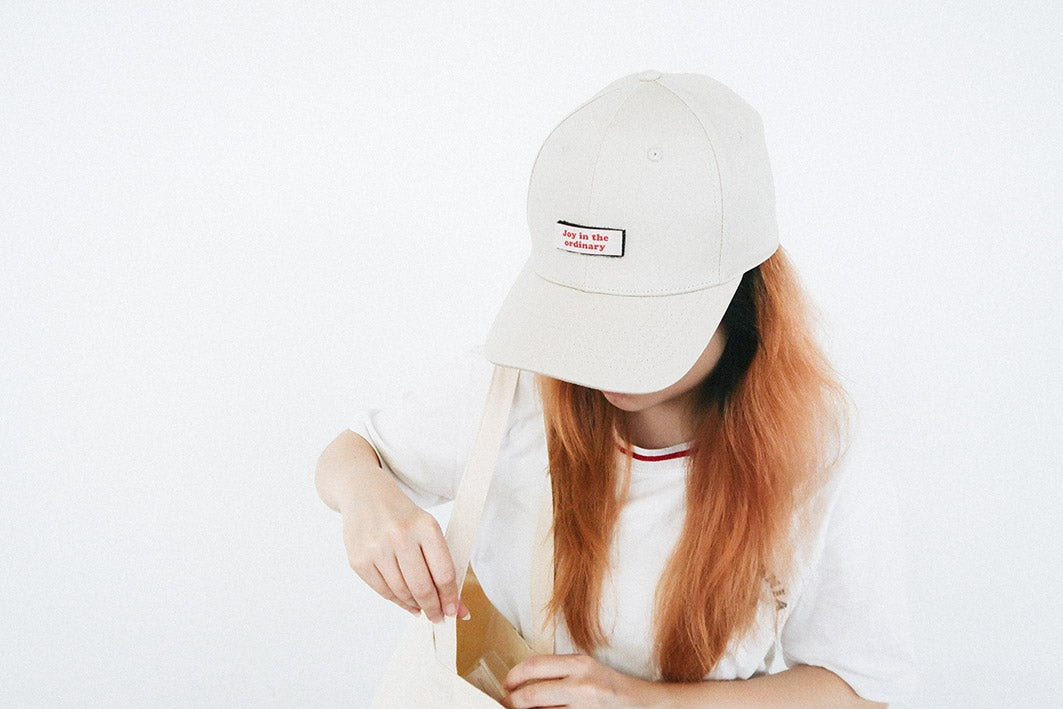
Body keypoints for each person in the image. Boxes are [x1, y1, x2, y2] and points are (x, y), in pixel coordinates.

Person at [316, 70, 917, 706]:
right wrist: (365, 495)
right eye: (581, 314)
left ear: (743, 296)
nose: (601, 362)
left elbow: (860, 690)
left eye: (640, 325)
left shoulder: (821, 454)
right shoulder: (514, 386)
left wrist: (645, 701)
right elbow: (355, 451)